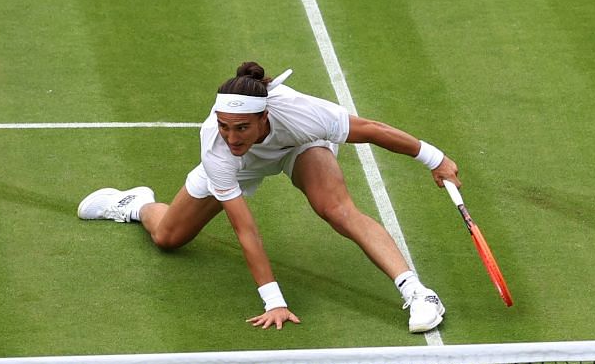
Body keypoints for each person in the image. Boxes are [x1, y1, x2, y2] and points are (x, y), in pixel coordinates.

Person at [78, 61, 460, 334]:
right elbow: (245, 229)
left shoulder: (302, 115)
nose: (232, 136)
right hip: (240, 168)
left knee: (337, 209)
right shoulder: (218, 148)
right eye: (225, 127)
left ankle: (418, 293)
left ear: (264, 118)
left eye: (241, 127)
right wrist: (273, 300)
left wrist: (435, 158)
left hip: (300, 146)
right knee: (167, 237)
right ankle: (136, 204)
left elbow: (373, 130)